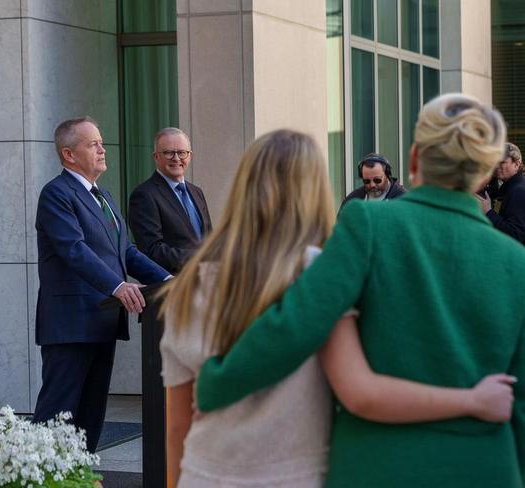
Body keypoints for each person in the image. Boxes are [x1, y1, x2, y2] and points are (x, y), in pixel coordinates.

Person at [196, 95, 525, 487]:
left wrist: (217, 381)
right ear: (487, 174)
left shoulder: (367, 223)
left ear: (415, 158)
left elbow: (298, 320)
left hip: (379, 466)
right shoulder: (515, 261)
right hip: (486, 468)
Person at [32, 116, 171, 453]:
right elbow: (73, 249)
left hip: (101, 322)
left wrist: (168, 281)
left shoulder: (104, 196)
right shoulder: (56, 194)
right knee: (57, 415)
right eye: (92, 144)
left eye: (100, 142)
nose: (101, 149)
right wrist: (118, 287)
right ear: (68, 154)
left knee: (91, 416)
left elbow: (127, 252)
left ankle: (80, 474)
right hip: (70, 323)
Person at [129, 128, 212, 273]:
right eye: (168, 153)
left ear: (190, 155)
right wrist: (197, 259)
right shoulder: (144, 195)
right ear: (156, 157)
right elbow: (151, 250)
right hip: (172, 286)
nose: (176, 158)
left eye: (182, 152)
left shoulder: (196, 192)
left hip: (206, 281)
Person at [477, 142, 525, 244]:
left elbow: (516, 234)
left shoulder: (518, 191)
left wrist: (488, 212)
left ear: (517, 164)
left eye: (502, 162)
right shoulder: (509, 187)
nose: (497, 166)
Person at [339, 152, 406, 210]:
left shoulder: (403, 200)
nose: (372, 185)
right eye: (367, 181)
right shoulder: (352, 200)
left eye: (377, 180)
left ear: (387, 175)